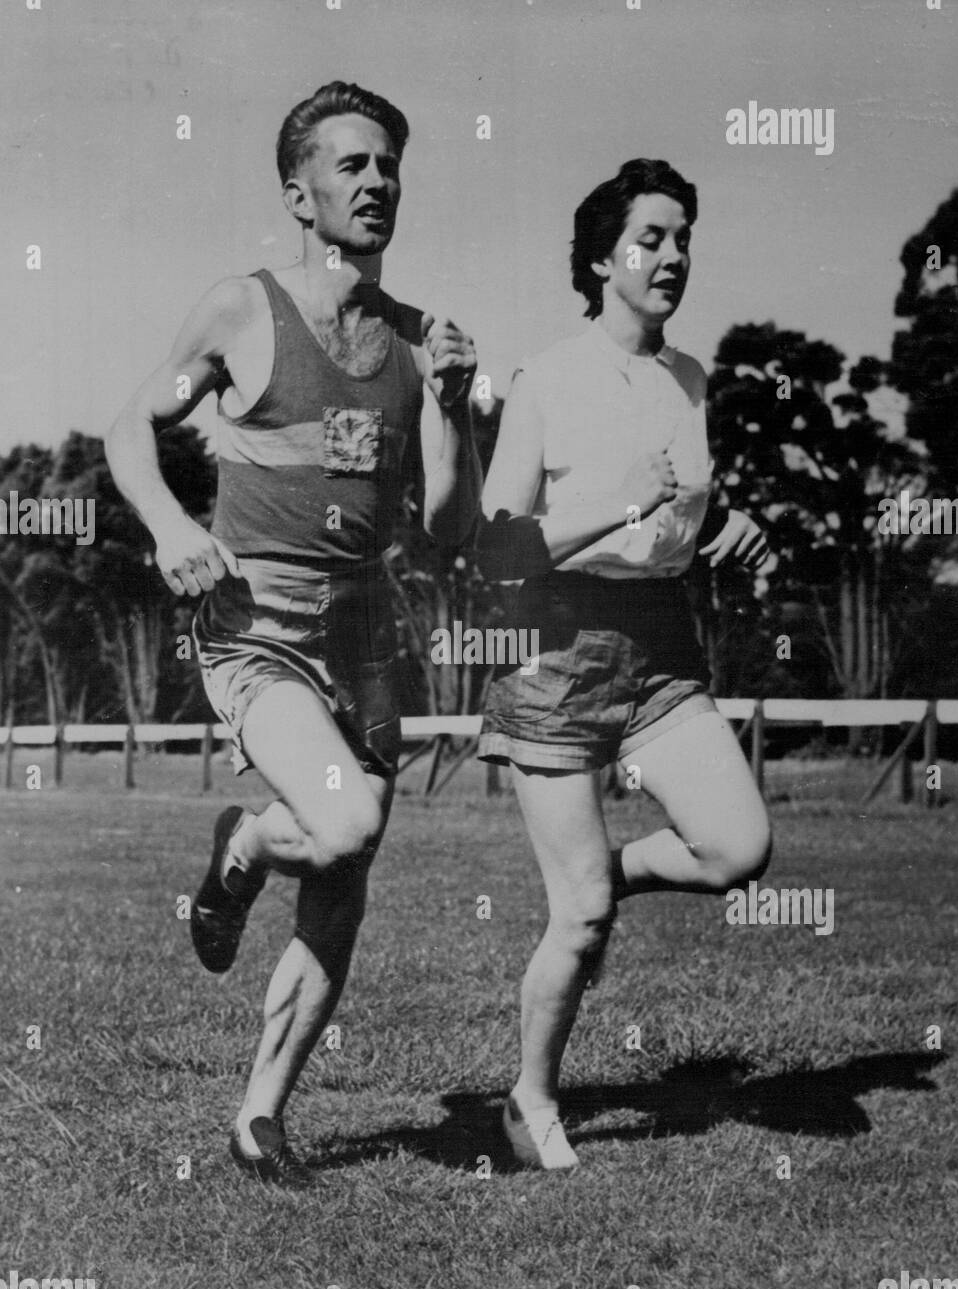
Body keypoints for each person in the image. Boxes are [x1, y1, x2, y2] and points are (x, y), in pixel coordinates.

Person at [106, 81, 480, 1178]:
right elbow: (134, 423)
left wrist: (455, 405)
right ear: (299, 194)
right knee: (343, 823)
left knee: (343, 874)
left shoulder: (419, 344)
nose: (376, 183)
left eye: (388, 166)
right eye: (351, 166)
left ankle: (260, 1113)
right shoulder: (241, 310)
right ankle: (241, 846)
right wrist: (173, 524)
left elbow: (451, 529)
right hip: (256, 625)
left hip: (366, 635)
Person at [477, 158, 772, 1170]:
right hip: (556, 657)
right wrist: (623, 504)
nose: (673, 256)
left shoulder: (693, 380)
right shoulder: (546, 379)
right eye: (650, 238)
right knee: (583, 918)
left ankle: (602, 873)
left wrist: (734, 529)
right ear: (602, 257)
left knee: (738, 849)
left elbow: (686, 509)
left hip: (662, 649)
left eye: (683, 236)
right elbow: (498, 548)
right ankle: (530, 1098)